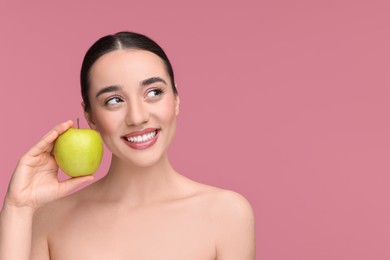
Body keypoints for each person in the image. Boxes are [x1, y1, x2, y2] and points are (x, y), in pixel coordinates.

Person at [0, 31, 255, 259]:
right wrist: (18, 208)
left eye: (154, 92)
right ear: (89, 115)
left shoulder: (227, 214)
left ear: (176, 98)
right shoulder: (48, 219)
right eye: (113, 100)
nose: (137, 117)